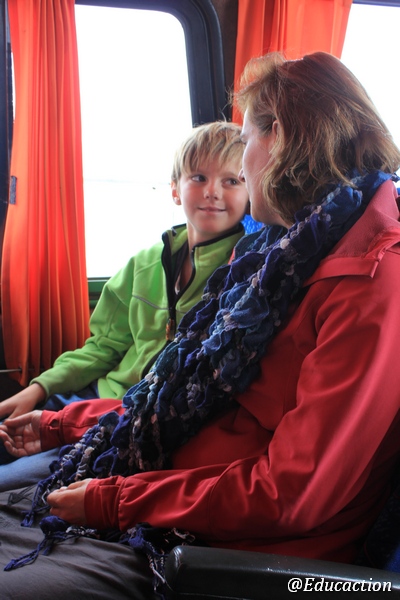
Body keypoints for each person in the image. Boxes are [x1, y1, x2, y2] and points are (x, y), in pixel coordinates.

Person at [0, 50, 400, 600]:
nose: (244, 165)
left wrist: (116, 502)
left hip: (226, 551)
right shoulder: (277, 253)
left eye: (246, 139)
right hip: (165, 493)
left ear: (280, 140)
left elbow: (291, 494)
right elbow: (180, 400)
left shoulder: (371, 280)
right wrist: (61, 424)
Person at [0, 121, 249, 486]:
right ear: (175, 189)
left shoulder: (242, 274)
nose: (212, 191)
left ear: (251, 191)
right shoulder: (144, 263)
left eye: (231, 181)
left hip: (132, 419)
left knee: (7, 484)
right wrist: (38, 390)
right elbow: (103, 348)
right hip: (92, 397)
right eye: (198, 177)